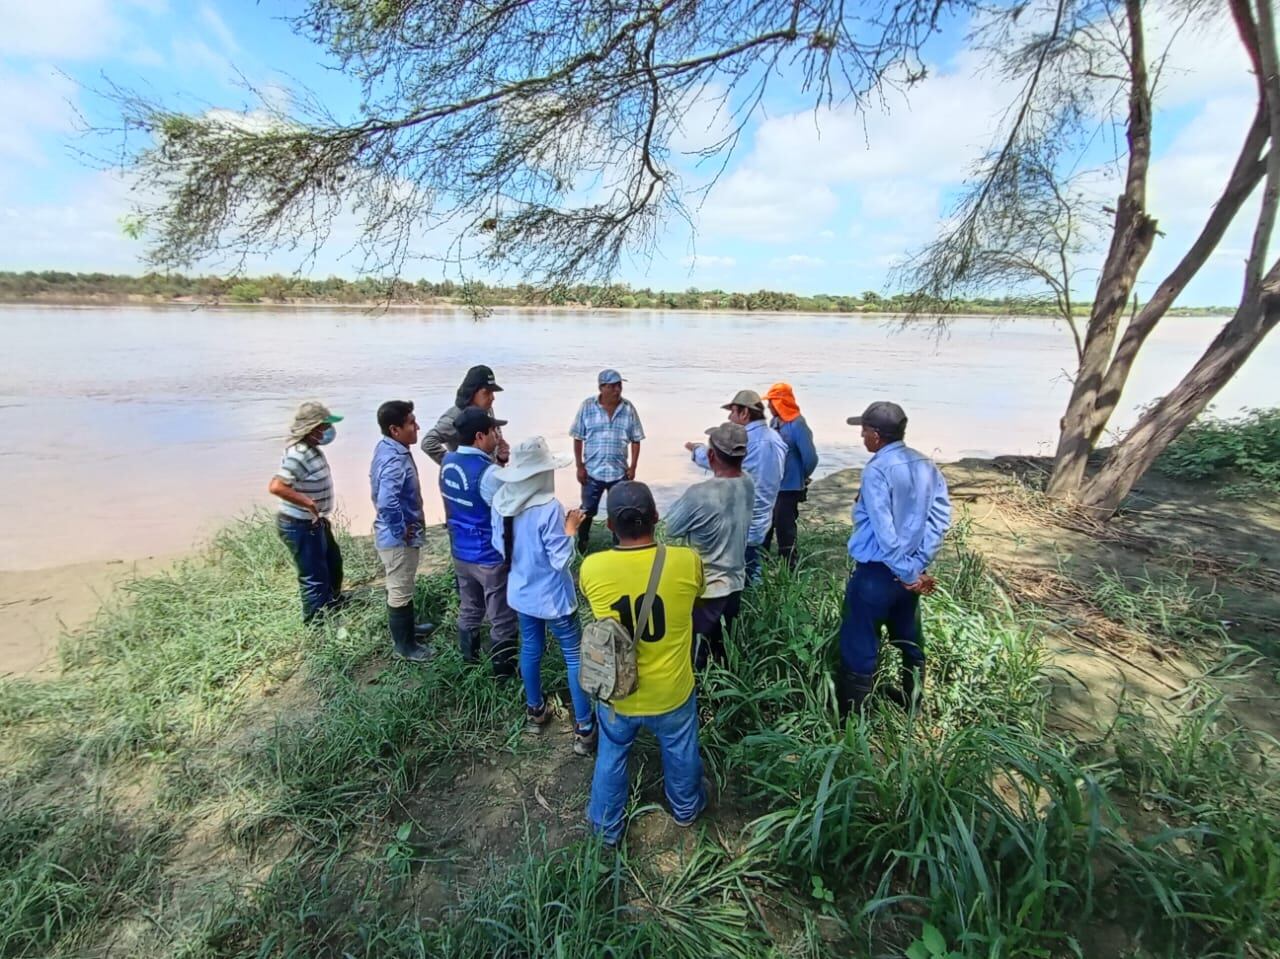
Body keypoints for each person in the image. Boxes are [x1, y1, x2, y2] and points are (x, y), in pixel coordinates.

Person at [580, 481, 708, 846]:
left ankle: (606, 830)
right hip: (673, 692)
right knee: (681, 749)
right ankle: (685, 809)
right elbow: (698, 595)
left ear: (609, 527)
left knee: (612, 754)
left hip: (619, 694)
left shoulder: (593, 567)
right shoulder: (686, 561)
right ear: (656, 517)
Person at [837, 402, 951, 716]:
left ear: (876, 435)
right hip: (910, 572)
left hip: (878, 572)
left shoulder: (877, 469)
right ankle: (912, 705)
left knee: (859, 642)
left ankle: (852, 721)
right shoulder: (925, 463)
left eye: (864, 430)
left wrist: (907, 572)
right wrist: (917, 566)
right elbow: (940, 519)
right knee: (909, 639)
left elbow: (885, 532)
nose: (861, 436)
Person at [490, 436, 597, 756]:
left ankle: (535, 711)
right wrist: (571, 527)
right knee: (573, 654)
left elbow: (500, 547)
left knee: (532, 647)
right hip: (552, 598)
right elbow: (560, 559)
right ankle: (584, 728)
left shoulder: (502, 502)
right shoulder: (549, 509)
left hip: (521, 593)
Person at [663, 422, 754, 667]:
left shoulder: (699, 493)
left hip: (707, 589)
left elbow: (671, 528)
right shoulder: (748, 483)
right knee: (723, 652)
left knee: (697, 657)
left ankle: (700, 700)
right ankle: (723, 698)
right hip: (736, 583)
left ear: (711, 455)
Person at [440, 406, 518, 677]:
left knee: (470, 606)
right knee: (501, 616)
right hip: (488, 555)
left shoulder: (447, 463)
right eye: (494, 431)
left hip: (460, 552)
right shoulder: (489, 474)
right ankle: (503, 674)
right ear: (479, 436)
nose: (498, 435)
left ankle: (469, 661)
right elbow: (508, 509)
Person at [685, 389, 785, 585]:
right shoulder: (777, 439)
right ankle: (754, 609)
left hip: (739, 521)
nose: (730, 418)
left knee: (731, 577)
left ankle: (739, 610)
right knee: (753, 568)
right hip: (763, 519)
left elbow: (718, 460)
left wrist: (695, 449)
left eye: (732, 412)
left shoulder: (744, 440)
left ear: (744, 413)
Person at [370, 400, 435, 663]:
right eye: (411, 423)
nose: (417, 426)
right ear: (395, 429)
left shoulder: (387, 448)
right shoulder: (394, 459)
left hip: (392, 534)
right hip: (396, 540)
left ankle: (409, 630)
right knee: (399, 589)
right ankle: (405, 646)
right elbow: (387, 501)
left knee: (402, 585)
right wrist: (401, 529)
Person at [268, 400, 345, 624]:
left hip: (315, 521)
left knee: (332, 562)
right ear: (313, 429)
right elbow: (276, 486)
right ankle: (317, 624)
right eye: (325, 427)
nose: (329, 431)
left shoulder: (311, 449)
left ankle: (333, 603)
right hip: (299, 524)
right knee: (314, 576)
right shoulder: (298, 454)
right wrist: (307, 502)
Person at [570, 369, 645, 552]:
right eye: (612, 386)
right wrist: (579, 466)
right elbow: (578, 437)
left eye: (619, 385)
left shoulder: (628, 408)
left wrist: (633, 466)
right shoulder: (587, 406)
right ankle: (582, 542)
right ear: (602, 387)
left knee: (620, 510)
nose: (617, 390)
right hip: (592, 471)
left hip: (619, 472)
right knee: (587, 510)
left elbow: (636, 439)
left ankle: (618, 545)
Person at [762, 382, 819, 571]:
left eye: (772, 403)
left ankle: (790, 565)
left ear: (781, 403)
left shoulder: (798, 425)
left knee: (785, 526)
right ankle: (762, 561)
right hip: (773, 484)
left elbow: (810, 457)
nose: (769, 407)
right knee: (766, 523)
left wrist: (802, 477)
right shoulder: (774, 423)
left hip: (790, 486)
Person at [421, 364, 510, 466]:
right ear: (472, 392)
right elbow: (428, 442)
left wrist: (501, 459)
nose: (492, 398)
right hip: (467, 477)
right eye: (487, 393)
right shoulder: (454, 418)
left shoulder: (487, 409)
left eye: (493, 393)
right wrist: (452, 463)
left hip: (490, 472)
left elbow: (496, 442)